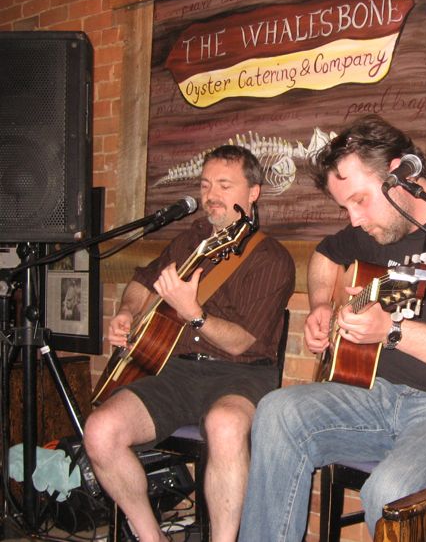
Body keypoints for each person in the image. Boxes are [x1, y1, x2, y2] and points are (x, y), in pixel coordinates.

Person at [238, 115, 426, 540]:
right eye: (346, 207)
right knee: (276, 412)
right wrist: (322, 303)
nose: (355, 219)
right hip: (378, 397)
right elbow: (326, 255)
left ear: (402, 174)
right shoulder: (380, 227)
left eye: (360, 201)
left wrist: (393, 329)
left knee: (389, 491)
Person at [84, 145, 295, 542]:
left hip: (241, 374)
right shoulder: (189, 240)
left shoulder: (271, 257)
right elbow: (141, 284)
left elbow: (242, 342)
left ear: (253, 193)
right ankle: (152, 537)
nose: (211, 194)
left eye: (224, 184)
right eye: (205, 184)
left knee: (226, 425)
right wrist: (128, 313)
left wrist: (193, 312)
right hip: (175, 370)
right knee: (100, 431)